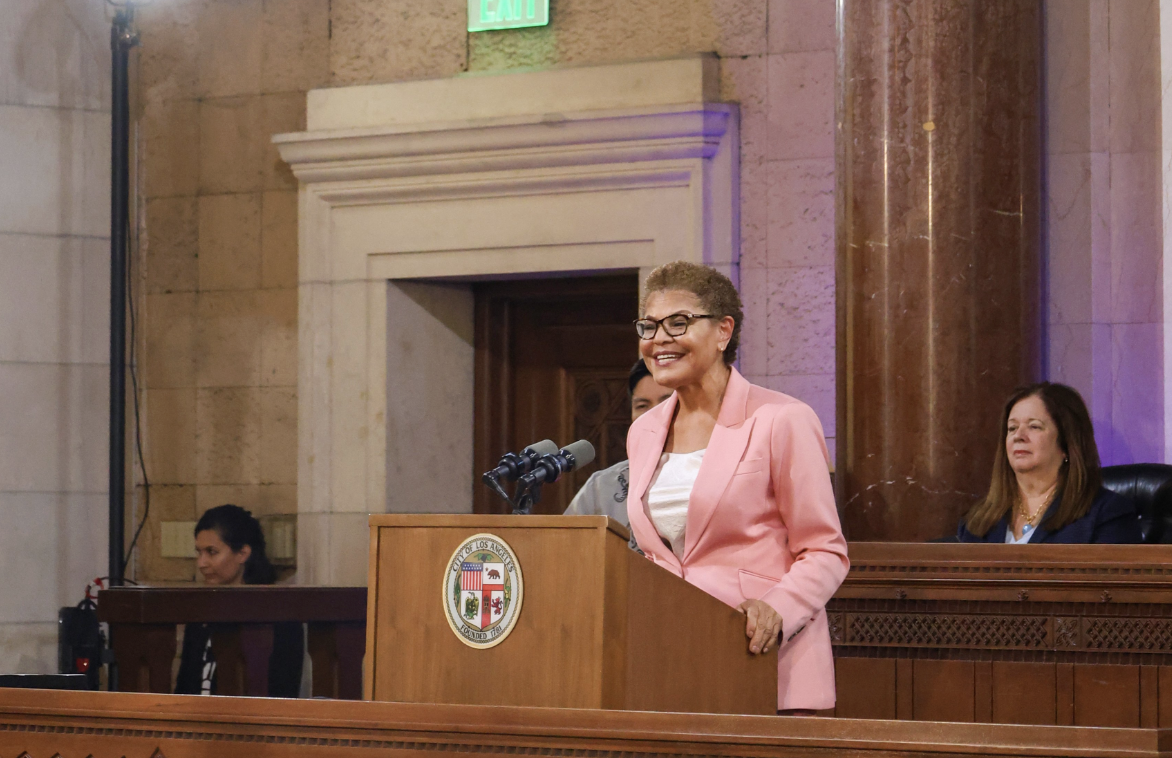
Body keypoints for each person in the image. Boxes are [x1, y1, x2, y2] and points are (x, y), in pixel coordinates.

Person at [625, 261, 849, 713]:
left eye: (679, 323)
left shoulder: (782, 419)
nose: (658, 339)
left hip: (763, 661)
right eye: (649, 326)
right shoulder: (643, 431)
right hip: (670, 665)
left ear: (724, 331)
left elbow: (825, 551)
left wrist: (778, 610)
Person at [958, 382, 1141, 544]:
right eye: (1012, 428)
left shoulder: (1107, 515)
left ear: (1067, 443)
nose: (1018, 436)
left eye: (1034, 426)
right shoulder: (977, 521)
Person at [175, 505, 304, 697]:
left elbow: (283, 688)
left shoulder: (278, 614)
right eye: (199, 552)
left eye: (212, 552)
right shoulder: (202, 611)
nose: (201, 563)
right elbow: (185, 685)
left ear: (243, 553)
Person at [564, 359, 673, 528]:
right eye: (642, 406)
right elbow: (565, 545)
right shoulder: (601, 488)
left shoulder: (713, 476)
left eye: (666, 402)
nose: (654, 414)